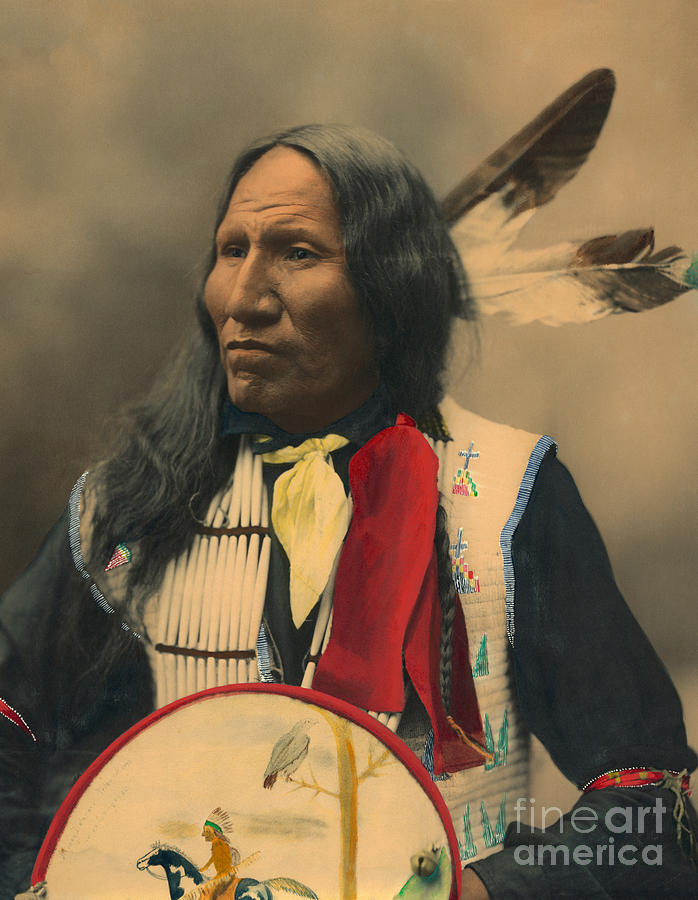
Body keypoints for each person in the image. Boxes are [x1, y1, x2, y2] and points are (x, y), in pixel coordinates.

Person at [1, 124, 696, 899]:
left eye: (297, 252)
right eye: (232, 251)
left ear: (387, 290)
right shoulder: (129, 511)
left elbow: (652, 807)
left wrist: (493, 891)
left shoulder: (507, 498)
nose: (243, 297)